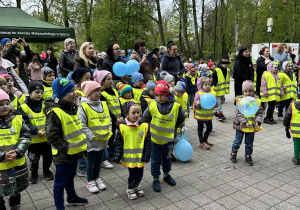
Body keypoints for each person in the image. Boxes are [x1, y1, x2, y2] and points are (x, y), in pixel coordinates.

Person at [44, 78, 88, 209]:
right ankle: (59, 207)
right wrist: (66, 149)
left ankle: (72, 197)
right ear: (61, 94)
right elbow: (52, 137)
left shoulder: (71, 106)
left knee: (70, 176)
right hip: (64, 154)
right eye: (70, 91)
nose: (74, 93)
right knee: (60, 182)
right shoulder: (54, 112)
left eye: (74, 89)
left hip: (74, 151)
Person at [142, 80, 185, 192]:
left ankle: (166, 175)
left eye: (162, 95)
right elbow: (145, 118)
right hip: (154, 140)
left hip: (169, 141)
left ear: (167, 94)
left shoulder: (175, 106)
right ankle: (156, 178)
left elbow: (181, 118)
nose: (159, 98)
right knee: (155, 160)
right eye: (157, 95)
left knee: (167, 158)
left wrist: (174, 127)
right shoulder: (152, 105)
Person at [0, 89, 31, 210]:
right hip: (1, 167)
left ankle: (15, 206)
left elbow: (26, 135)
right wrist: (2, 156)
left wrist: (18, 151)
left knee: (16, 190)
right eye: (1, 104)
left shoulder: (17, 118)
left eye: (7, 103)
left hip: (16, 163)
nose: (5, 107)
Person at [114, 102, 151, 199]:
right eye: (133, 113)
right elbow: (119, 143)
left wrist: (147, 155)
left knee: (140, 173)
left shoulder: (144, 126)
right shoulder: (122, 127)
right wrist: (117, 155)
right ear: (127, 114)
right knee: (132, 174)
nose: (136, 115)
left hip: (140, 157)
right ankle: (130, 188)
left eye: (138, 112)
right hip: (129, 158)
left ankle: (137, 186)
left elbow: (148, 142)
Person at [79, 81, 111, 193]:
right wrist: (91, 137)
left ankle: (97, 178)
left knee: (99, 161)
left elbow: (109, 119)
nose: (99, 93)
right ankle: (90, 181)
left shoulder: (103, 104)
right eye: (95, 91)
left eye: (99, 90)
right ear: (88, 93)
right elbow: (81, 125)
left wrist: (109, 132)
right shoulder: (83, 107)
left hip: (103, 140)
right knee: (90, 162)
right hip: (91, 142)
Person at [19, 81, 54, 184]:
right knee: (34, 158)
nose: (40, 94)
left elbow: (51, 118)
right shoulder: (23, 107)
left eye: (41, 92)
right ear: (30, 93)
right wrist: (36, 131)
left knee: (48, 157)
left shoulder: (46, 104)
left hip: (46, 138)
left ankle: (47, 171)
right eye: (37, 92)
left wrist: (48, 130)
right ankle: (34, 173)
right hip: (33, 141)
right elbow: (24, 123)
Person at [231, 81, 263, 166]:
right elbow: (238, 113)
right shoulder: (240, 101)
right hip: (241, 126)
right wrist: (244, 122)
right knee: (237, 141)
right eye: (245, 91)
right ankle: (233, 153)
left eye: (250, 91)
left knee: (249, 143)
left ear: (253, 91)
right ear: (243, 92)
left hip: (251, 126)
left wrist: (257, 121)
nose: (248, 93)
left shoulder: (257, 101)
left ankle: (248, 156)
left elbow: (259, 113)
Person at [98, 70, 123, 169]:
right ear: (102, 81)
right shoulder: (102, 94)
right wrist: (114, 119)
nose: (111, 81)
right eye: (108, 79)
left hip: (118, 119)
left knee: (118, 138)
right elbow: (106, 109)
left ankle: (116, 153)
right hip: (111, 120)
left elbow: (119, 104)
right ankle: (111, 155)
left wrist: (122, 116)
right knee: (111, 138)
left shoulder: (114, 91)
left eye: (111, 79)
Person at [194, 77, 217, 150]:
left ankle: (205, 139)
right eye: (205, 85)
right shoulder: (199, 93)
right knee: (200, 129)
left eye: (209, 84)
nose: (207, 86)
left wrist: (216, 104)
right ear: (201, 86)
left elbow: (215, 104)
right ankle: (201, 142)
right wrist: (197, 104)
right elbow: (195, 105)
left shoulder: (212, 93)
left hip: (208, 115)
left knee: (209, 128)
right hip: (200, 116)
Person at [260, 60, 284, 124]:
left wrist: (281, 92)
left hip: (275, 95)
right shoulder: (266, 75)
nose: (276, 69)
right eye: (274, 67)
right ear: (270, 67)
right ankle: (266, 118)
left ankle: (271, 117)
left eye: (277, 68)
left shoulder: (278, 75)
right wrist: (265, 92)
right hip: (268, 95)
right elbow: (264, 84)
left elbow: (280, 85)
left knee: (273, 106)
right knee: (269, 106)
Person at [283, 91, 300, 165]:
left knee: (296, 144)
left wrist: (286, 127)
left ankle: (296, 158)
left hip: (295, 130)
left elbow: (287, 117)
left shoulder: (292, 106)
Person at [213, 55, 231, 121]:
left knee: (220, 102)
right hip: (217, 89)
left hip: (222, 90)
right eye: (225, 64)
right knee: (219, 102)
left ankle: (216, 112)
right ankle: (219, 113)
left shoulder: (228, 70)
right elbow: (213, 78)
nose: (226, 66)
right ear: (221, 64)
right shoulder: (217, 70)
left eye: (227, 64)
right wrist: (214, 85)